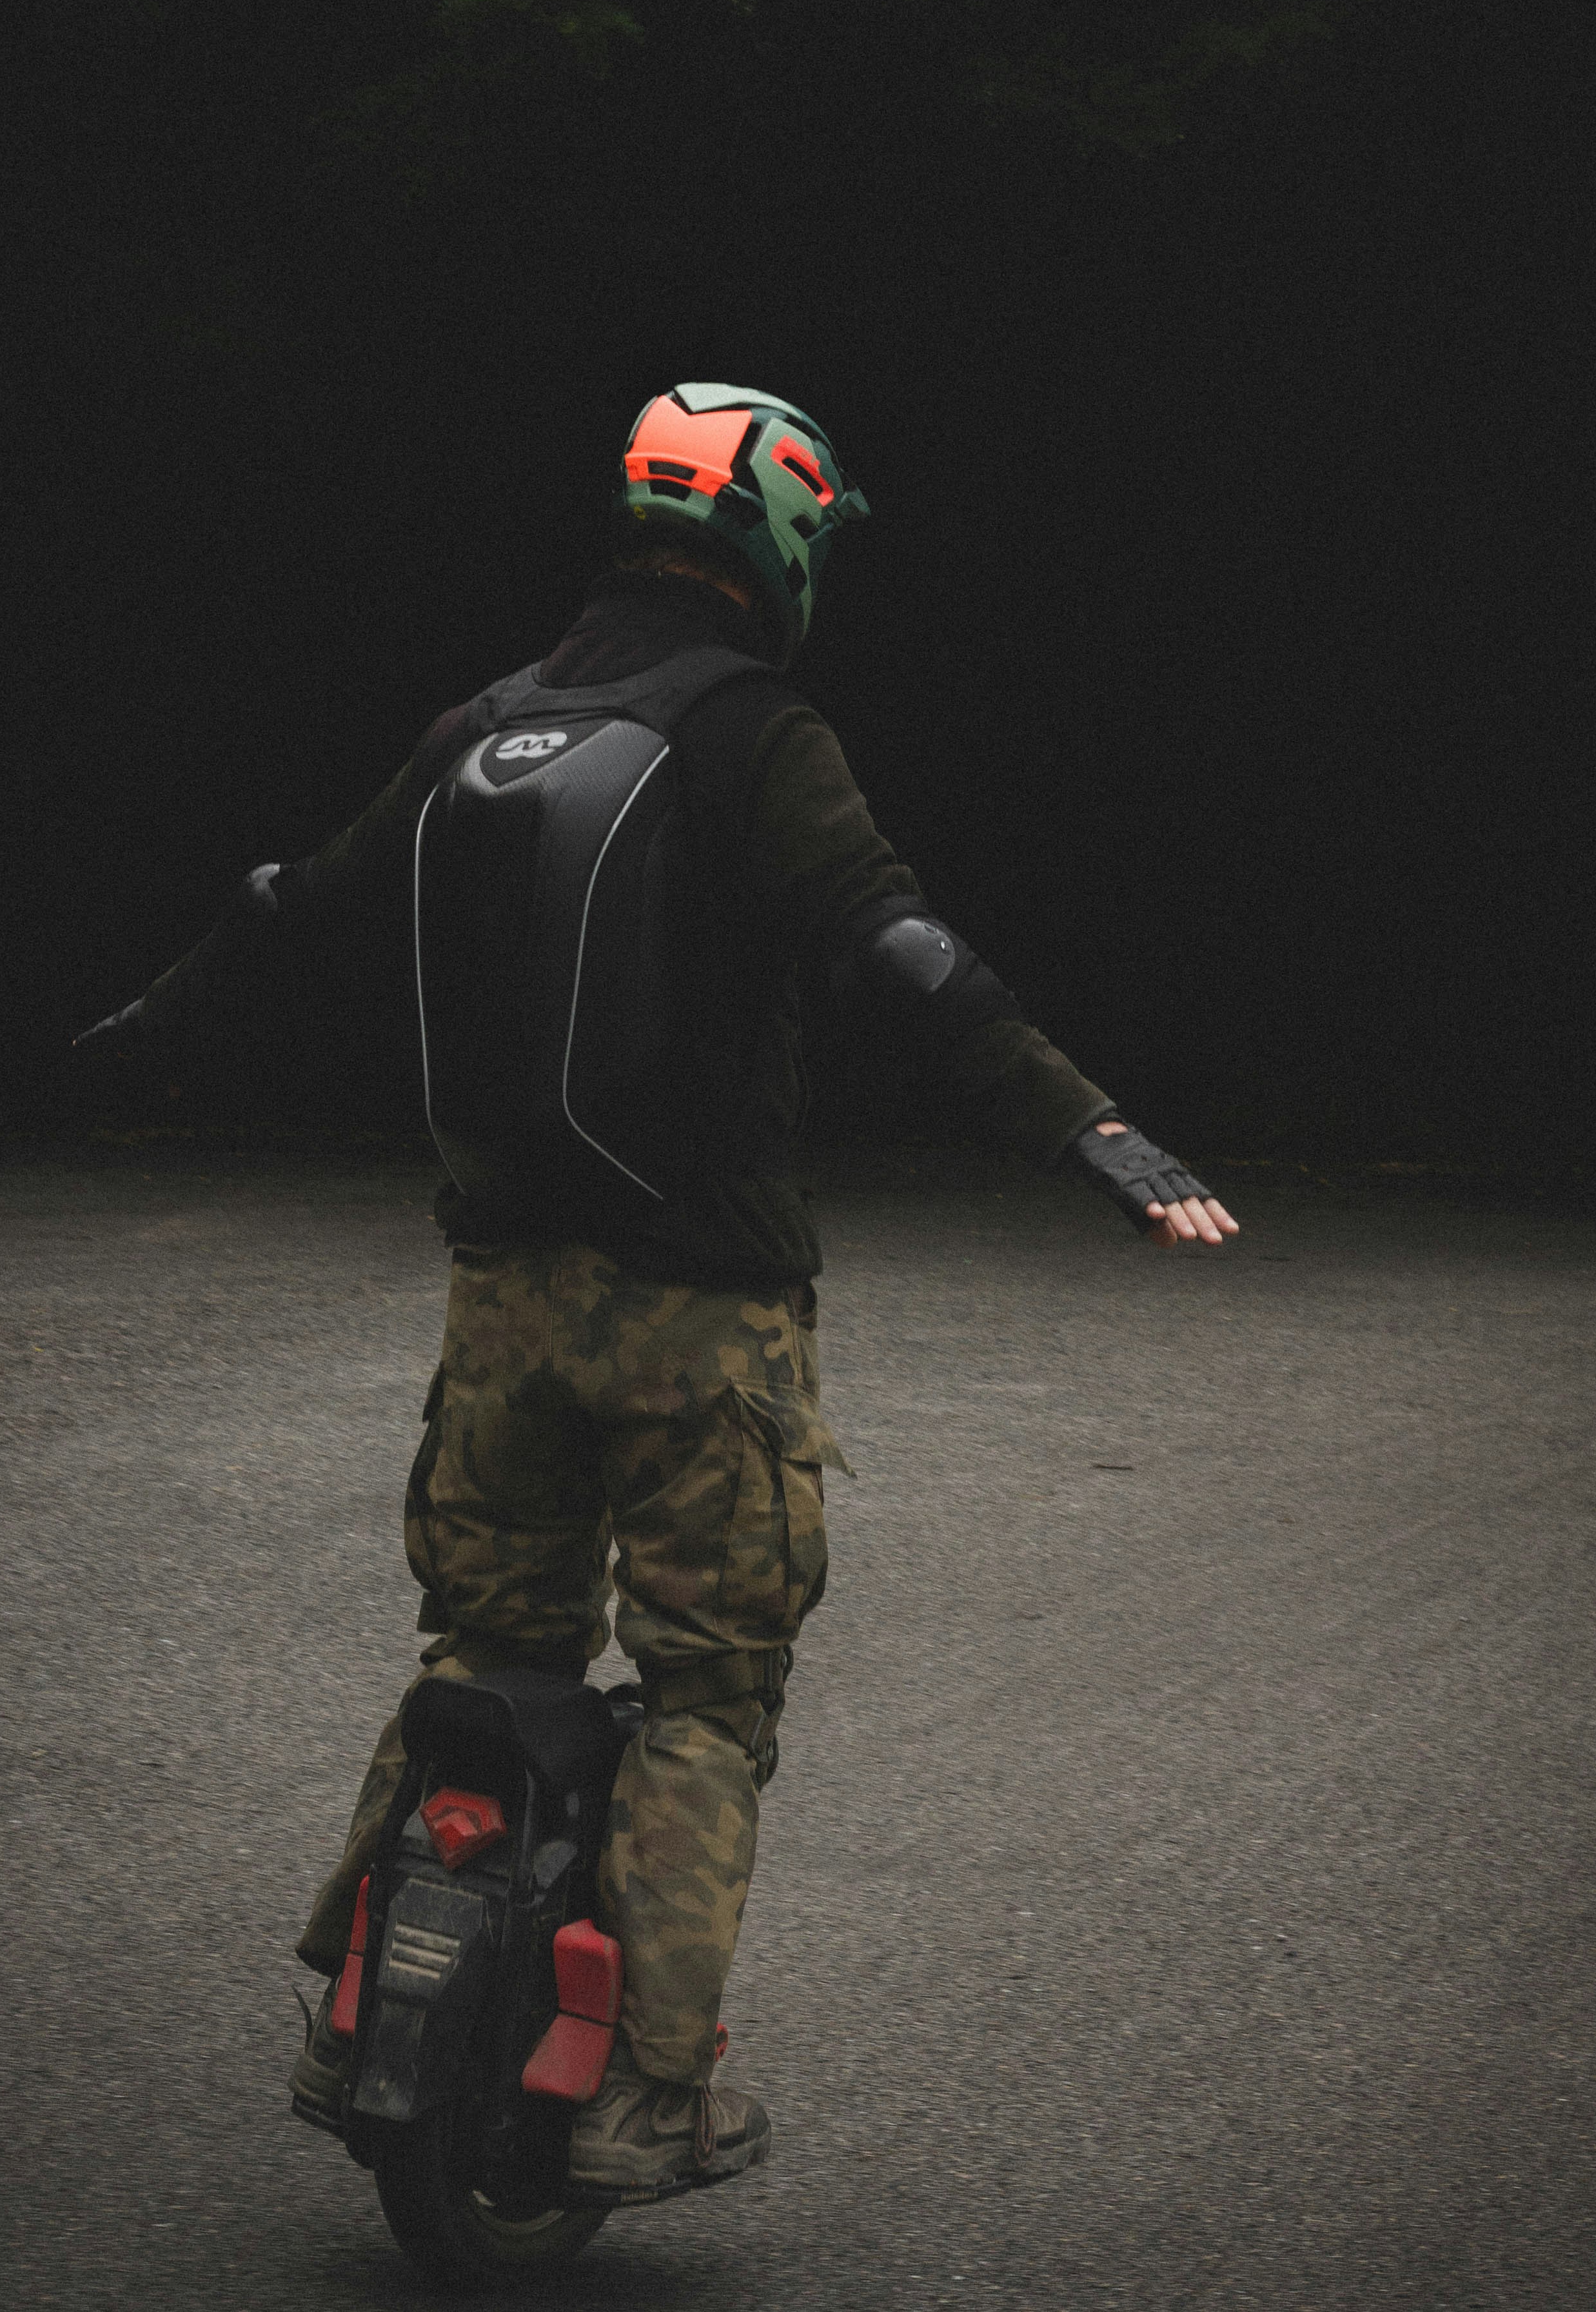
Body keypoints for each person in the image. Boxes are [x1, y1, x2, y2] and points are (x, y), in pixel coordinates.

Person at [77, 380, 1237, 2202]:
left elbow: (296, 906)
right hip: (704, 1321)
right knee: (707, 1694)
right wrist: (1102, 1136)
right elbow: (904, 957)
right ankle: (645, 2093)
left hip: (503, 1309)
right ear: (777, 537)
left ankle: (347, 2025)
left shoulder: (486, 729)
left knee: (484, 1657)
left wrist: (139, 1034)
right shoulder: (755, 734)